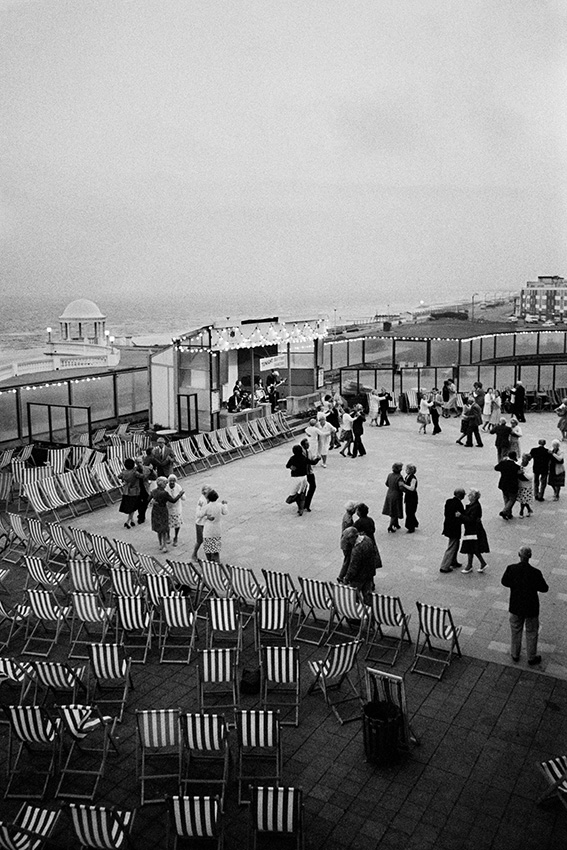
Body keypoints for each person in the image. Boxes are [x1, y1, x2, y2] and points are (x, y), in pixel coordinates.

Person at [501, 546, 548, 664]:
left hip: (515, 605)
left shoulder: (511, 568)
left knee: (516, 629)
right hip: (531, 607)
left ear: (519, 555)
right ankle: (531, 657)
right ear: (530, 556)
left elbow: (504, 582)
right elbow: (544, 588)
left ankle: (515, 654)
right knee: (532, 631)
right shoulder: (535, 572)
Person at [343, 529, 382, 603]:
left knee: (354, 597)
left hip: (359, 577)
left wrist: (347, 578)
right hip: (369, 573)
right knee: (367, 595)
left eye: (348, 539)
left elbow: (353, 567)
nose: (348, 541)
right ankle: (369, 611)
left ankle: (356, 611)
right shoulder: (367, 539)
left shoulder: (356, 549)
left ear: (355, 536)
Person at [149, 476, 185, 553]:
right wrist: (180, 494)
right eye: (165, 483)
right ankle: (164, 545)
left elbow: (148, 500)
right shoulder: (164, 493)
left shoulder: (154, 491)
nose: (166, 485)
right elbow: (173, 500)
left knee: (158, 528)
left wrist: (152, 502)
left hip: (155, 510)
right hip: (163, 510)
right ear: (162, 484)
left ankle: (160, 543)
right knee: (164, 528)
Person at [459, 489, 489, 574]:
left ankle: (471, 565)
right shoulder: (474, 505)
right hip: (472, 529)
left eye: (470, 495)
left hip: (473, 530)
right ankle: (478, 564)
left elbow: (471, 519)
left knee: (472, 547)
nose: (468, 496)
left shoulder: (475, 507)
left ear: (474, 497)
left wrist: (460, 516)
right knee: (472, 547)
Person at [439, 488, 465, 573]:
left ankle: (453, 561)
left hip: (448, 526)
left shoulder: (449, 501)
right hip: (454, 528)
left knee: (455, 544)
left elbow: (446, 513)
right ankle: (444, 566)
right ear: (460, 495)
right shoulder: (459, 504)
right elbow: (461, 516)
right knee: (452, 546)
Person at [199, 489, 228, 562]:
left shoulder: (207, 507)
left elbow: (199, 515)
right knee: (215, 549)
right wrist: (225, 504)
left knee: (208, 548)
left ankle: (209, 562)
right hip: (217, 529)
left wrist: (206, 516)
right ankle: (217, 563)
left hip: (208, 530)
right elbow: (225, 512)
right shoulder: (220, 505)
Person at [118, 457, 144, 528]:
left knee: (130, 506)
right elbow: (142, 476)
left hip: (126, 491)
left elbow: (119, 476)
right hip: (135, 491)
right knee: (133, 507)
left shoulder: (124, 472)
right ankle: (128, 521)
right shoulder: (134, 472)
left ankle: (132, 520)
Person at [494, 450, 521, 520]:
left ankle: (509, 513)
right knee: (512, 499)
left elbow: (496, 468)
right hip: (512, 485)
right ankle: (505, 511)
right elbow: (520, 474)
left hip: (503, 484)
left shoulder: (503, 463)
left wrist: (502, 461)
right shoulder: (516, 466)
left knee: (506, 498)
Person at [285, 445, 309, 515]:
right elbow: (312, 462)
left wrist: (290, 467)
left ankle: (295, 500)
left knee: (296, 493)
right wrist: (317, 459)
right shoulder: (304, 458)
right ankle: (301, 508)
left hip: (295, 478)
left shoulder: (292, 458)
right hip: (303, 477)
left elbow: (287, 465)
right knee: (302, 493)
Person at [382, 462, 404, 533]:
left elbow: (386, 483)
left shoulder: (390, 475)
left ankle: (396, 523)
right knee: (394, 511)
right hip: (396, 495)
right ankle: (390, 526)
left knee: (393, 509)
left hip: (389, 494)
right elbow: (401, 487)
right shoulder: (399, 477)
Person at [192, 484, 211, 561]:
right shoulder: (201, 501)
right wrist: (206, 516)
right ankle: (194, 553)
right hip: (200, 523)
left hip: (207, 523)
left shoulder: (209, 499)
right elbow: (198, 513)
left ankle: (209, 557)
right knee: (200, 540)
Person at [136, 453, 157, 525]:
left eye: (140, 462)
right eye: (138, 462)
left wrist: (152, 471)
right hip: (138, 489)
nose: (139, 464)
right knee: (139, 503)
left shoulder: (147, 469)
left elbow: (154, 477)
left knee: (145, 503)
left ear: (143, 462)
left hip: (145, 488)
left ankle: (142, 515)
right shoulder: (134, 470)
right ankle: (141, 516)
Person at [300, 437, 319, 512]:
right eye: (307, 444)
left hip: (310, 471)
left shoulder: (308, 451)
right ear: (303, 445)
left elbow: (312, 459)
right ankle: (304, 503)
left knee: (312, 487)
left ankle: (306, 503)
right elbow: (311, 462)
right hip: (306, 472)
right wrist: (317, 459)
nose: (308, 445)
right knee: (307, 488)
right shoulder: (302, 453)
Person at [166, 473, 186, 546]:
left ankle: (176, 537)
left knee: (177, 524)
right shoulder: (166, 487)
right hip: (168, 508)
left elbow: (184, 498)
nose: (171, 482)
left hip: (177, 508)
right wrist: (179, 494)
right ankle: (168, 536)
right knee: (167, 524)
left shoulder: (178, 487)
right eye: (170, 481)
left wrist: (182, 495)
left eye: (173, 481)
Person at [401, 464, 418, 533]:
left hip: (412, 497)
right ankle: (414, 523)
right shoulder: (408, 476)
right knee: (409, 511)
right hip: (408, 496)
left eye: (407, 469)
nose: (405, 470)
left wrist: (404, 485)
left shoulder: (413, 478)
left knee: (410, 511)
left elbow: (412, 488)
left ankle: (411, 527)